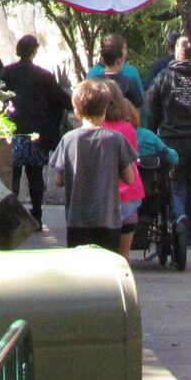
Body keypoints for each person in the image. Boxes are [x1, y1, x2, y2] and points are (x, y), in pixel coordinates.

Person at [48, 79, 139, 254]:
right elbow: (130, 178)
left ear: (76, 111)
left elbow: (58, 181)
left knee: (80, 269)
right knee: (107, 267)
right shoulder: (116, 139)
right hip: (108, 219)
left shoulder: (68, 140)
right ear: (105, 109)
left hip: (77, 219)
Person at [144, 37, 191, 245]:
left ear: (176, 53)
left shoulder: (164, 77)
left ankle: (179, 216)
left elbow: (151, 106)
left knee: (171, 184)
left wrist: (152, 131)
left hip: (170, 139)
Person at [0, 34, 71, 228]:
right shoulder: (44, 75)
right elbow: (61, 99)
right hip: (36, 135)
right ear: (34, 51)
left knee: (12, 175)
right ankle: (37, 216)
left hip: (12, 133)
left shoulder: (6, 74)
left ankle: (11, 218)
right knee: (35, 175)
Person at [99, 82, 146, 254]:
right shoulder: (128, 129)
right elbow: (133, 161)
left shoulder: (97, 130)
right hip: (128, 197)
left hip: (102, 198)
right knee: (124, 254)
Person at [86, 33, 145, 112]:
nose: (126, 51)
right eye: (125, 48)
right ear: (119, 56)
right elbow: (139, 112)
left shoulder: (93, 79)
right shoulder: (130, 79)